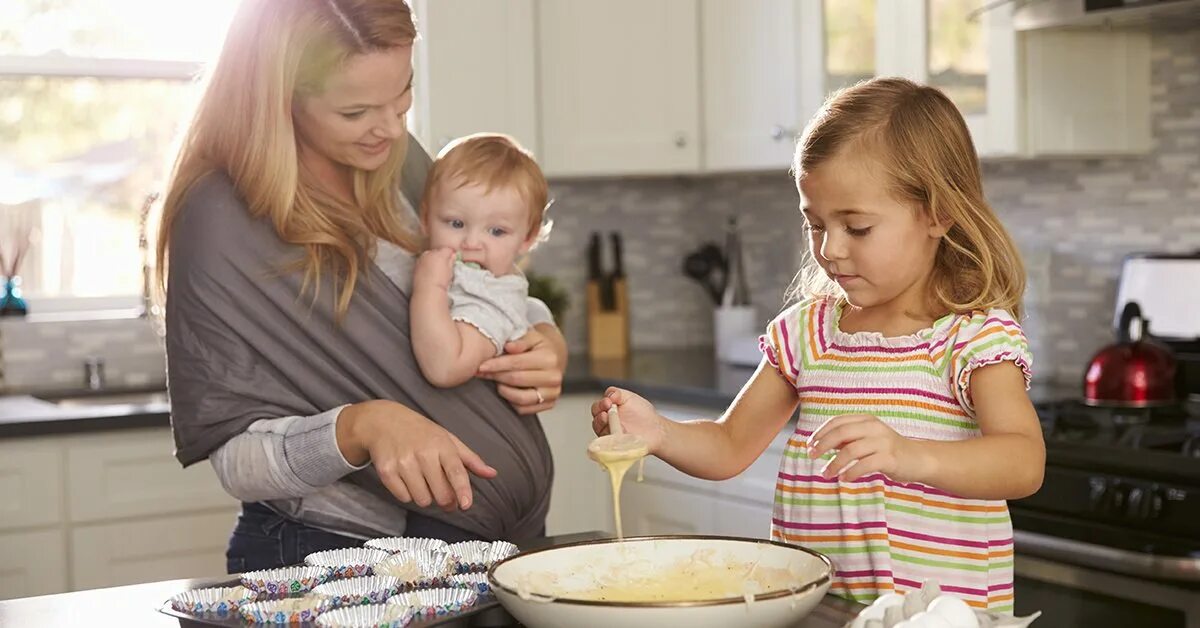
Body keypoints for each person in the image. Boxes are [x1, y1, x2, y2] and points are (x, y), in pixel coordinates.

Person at [591, 77, 1045, 612]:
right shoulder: (808, 333)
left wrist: (906, 454)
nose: (830, 249)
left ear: (937, 214)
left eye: (857, 227)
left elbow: (1023, 462)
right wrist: (659, 431)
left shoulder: (971, 337)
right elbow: (730, 444)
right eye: (815, 224)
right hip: (822, 611)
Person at [156, 0, 566, 573]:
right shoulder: (222, 219)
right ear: (279, 97)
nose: (393, 128)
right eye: (356, 111)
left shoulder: (394, 162)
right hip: (334, 558)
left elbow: (489, 287)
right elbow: (236, 458)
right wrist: (359, 427)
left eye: (403, 95)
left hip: (485, 551)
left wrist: (544, 338)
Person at [411, 133, 552, 388]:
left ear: (527, 238)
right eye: (456, 223)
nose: (472, 243)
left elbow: (445, 367)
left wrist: (429, 287)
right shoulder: (455, 273)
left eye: (497, 231)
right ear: (425, 219)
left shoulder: (494, 299)